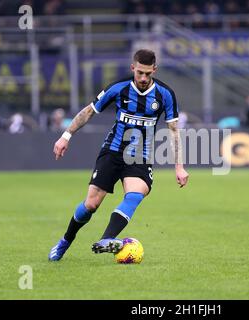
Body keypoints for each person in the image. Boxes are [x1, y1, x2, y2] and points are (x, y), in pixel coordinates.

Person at [48, 49, 189, 261]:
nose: (143, 78)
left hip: (139, 157)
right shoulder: (119, 88)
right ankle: (65, 241)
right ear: (133, 68)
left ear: (154, 71)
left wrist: (179, 166)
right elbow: (88, 111)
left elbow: (174, 131)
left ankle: (107, 239)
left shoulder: (165, 94)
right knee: (91, 205)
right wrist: (66, 136)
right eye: (139, 72)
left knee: (135, 194)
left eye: (148, 74)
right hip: (112, 151)